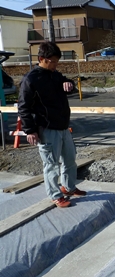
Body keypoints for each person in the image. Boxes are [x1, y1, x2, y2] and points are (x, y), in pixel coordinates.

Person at [18, 41, 86, 208]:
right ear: (42, 59)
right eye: (53, 61)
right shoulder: (31, 79)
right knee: (51, 164)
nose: (56, 65)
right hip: (47, 128)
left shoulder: (56, 76)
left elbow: (69, 85)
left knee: (70, 160)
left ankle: (68, 187)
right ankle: (55, 195)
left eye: (57, 62)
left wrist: (69, 85)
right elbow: (23, 107)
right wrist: (30, 130)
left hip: (63, 126)